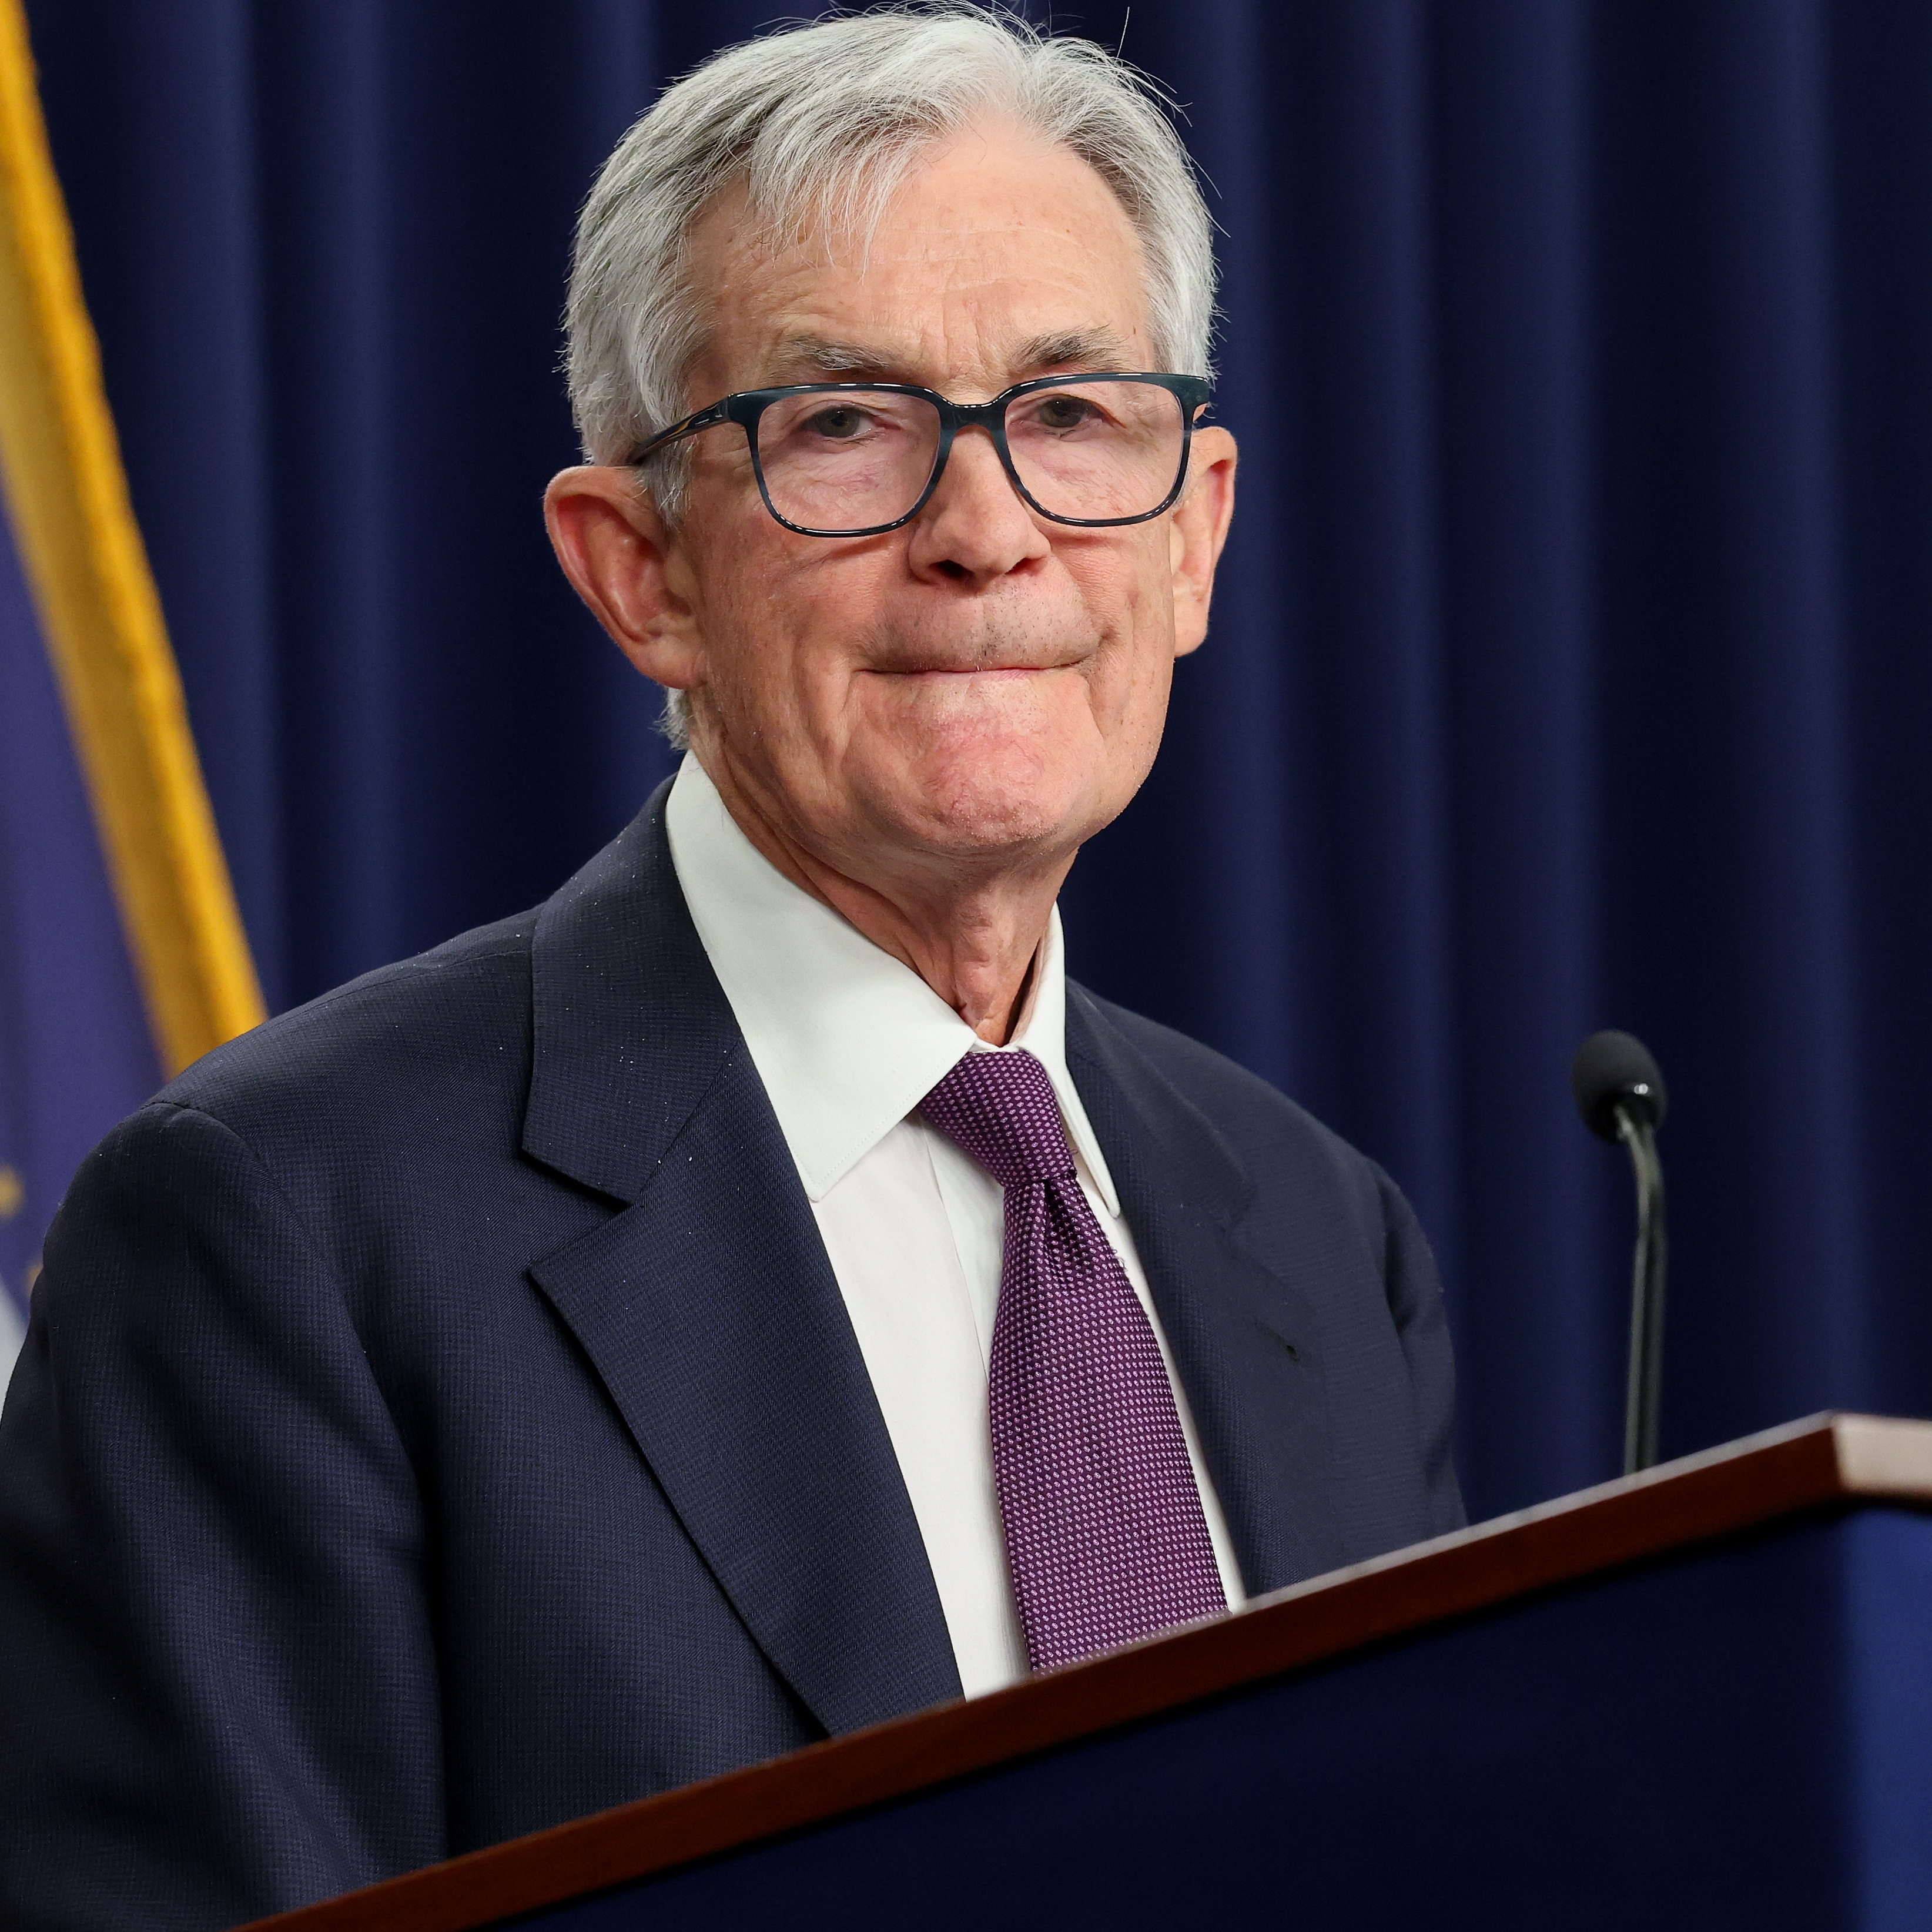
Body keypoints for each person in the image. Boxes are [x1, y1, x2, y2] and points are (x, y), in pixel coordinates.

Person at [0, 9, 1462, 1927]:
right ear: (640, 569)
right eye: (844, 423)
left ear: (1191, 540)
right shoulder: (282, 1234)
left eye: (1072, 413)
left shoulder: (1318, 1233)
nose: (987, 532)